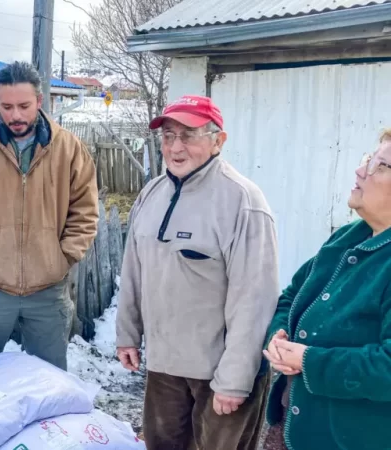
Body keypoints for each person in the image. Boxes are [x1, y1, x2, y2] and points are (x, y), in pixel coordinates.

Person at [115, 95, 279, 450]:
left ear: (219, 140)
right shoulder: (151, 194)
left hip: (217, 375)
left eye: (188, 135)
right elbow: (134, 269)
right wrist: (128, 333)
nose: (175, 147)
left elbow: (254, 301)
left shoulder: (243, 203)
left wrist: (234, 380)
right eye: (168, 136)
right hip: (164, 368)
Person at [0, 61, 98, 371]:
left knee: (49, 378)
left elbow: (86, 210)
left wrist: (62, 257)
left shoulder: (69, 149)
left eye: (24, 106)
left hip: (48, 289)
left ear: (40, 102)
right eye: (7, 106)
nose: (15, 115)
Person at [262, 128, 391, 450]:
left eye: (380, 166)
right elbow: (292, 296)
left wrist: (310, 362)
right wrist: (279, 335)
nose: (360, 170)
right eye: (367, 160)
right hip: (294, 426)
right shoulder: (348, 237)